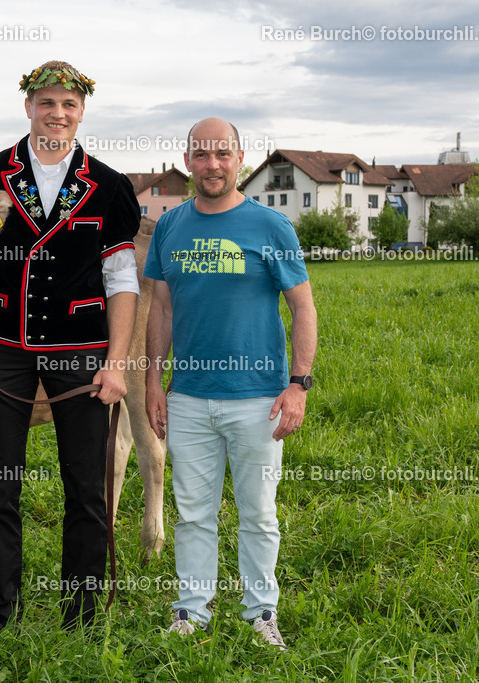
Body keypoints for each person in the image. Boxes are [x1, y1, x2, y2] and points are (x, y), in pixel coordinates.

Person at [0, 60, 141, 631]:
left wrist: (117, 364)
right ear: (28, 106)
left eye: (70, 105)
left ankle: (80, 619)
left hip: (81, 350)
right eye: (47, 102)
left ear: (82, 112)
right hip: (1, 344)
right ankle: (0, 617)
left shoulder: (108, 186)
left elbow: (122, 281)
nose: (58, 113)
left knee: (86, 488)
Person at [144, 117, 318, 650]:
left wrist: (299, 385)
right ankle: (192, 610)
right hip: (189, 398)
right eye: (201, 154)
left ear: (239, 157)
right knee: (193, 511)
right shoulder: (171, 226)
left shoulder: (271, 227)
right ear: (188, 160)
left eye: (222, 154)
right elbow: (162, 308)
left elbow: (303, 308)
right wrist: (153, 381)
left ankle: (260, 611)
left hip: (258, 399)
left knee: (258, 514)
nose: (212, 165)